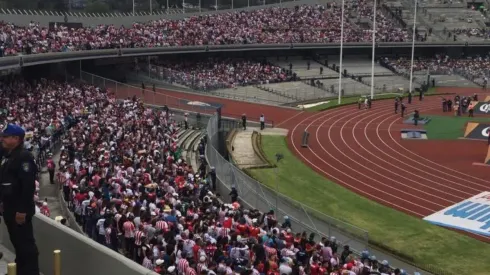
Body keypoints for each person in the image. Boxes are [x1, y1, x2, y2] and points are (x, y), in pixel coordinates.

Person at [0, 124, 40, 275]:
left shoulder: (23, 156)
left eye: (6, 136)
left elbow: (27, 186)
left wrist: (22, 210)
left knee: (26, 245)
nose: (2, 139)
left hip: (19, 210)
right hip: (10, 208)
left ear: (16, 139)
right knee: (18, 244)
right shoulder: (8, 155)